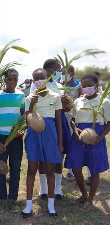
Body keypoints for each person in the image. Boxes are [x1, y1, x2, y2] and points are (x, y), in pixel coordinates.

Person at [64, 72, 110, 211]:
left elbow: (109, 122)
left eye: (90, 86)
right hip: (79, 138)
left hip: (96, 136)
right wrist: (75, 128)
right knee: (76, 168)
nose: (87, 88)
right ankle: (83, 194)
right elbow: (73, 118)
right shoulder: (79, 101)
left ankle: (90, 200)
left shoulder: (105, 101)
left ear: (96, 85)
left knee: (94, 169)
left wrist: (100, 138)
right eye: (84, 86)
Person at [22, 68, 63, 218]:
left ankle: (51, 206)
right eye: (36, 78)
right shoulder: (29, 98)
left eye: (42, 78)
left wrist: (60, 142)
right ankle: (28, 205)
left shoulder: (55, 96)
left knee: (50, 168)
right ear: (33, 81)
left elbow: (58, 120)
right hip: (34, 132)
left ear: (48, 79)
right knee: (32, 169)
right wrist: (32, 103)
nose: (39, 80)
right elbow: (28, 117)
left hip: (50, 133)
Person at [0, 69, 25, 212]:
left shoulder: (21, 95)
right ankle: (1, 196)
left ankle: (12, 197)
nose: (12, 82)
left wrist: (21, 131)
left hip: (15, 138)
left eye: (15, 79)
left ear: (17, 80)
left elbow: (23, 117)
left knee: (15, 167)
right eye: (9, 79)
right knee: (1, 166)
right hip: (2, 137)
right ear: (4, 80)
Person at [36, 59, 64, 200]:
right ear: (49, 70)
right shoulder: (36, 86)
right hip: (40, 124)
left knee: (58, 155)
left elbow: (61, 106)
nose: (59, 72)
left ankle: (58, 188)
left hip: (57, 121)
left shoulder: (59, 86)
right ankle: (43, 188)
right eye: (57, 69)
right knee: (42, 157)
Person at [60, 65, 82, 181]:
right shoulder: (61, 86)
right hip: (63, 117)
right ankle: (59, 169)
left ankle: (70, 170)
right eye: (62, 73)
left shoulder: (78, 86)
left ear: (72, 73)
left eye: (65, 73)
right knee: (63, 142)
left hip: (74, 118)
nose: (63, 76)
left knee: (73, 142)